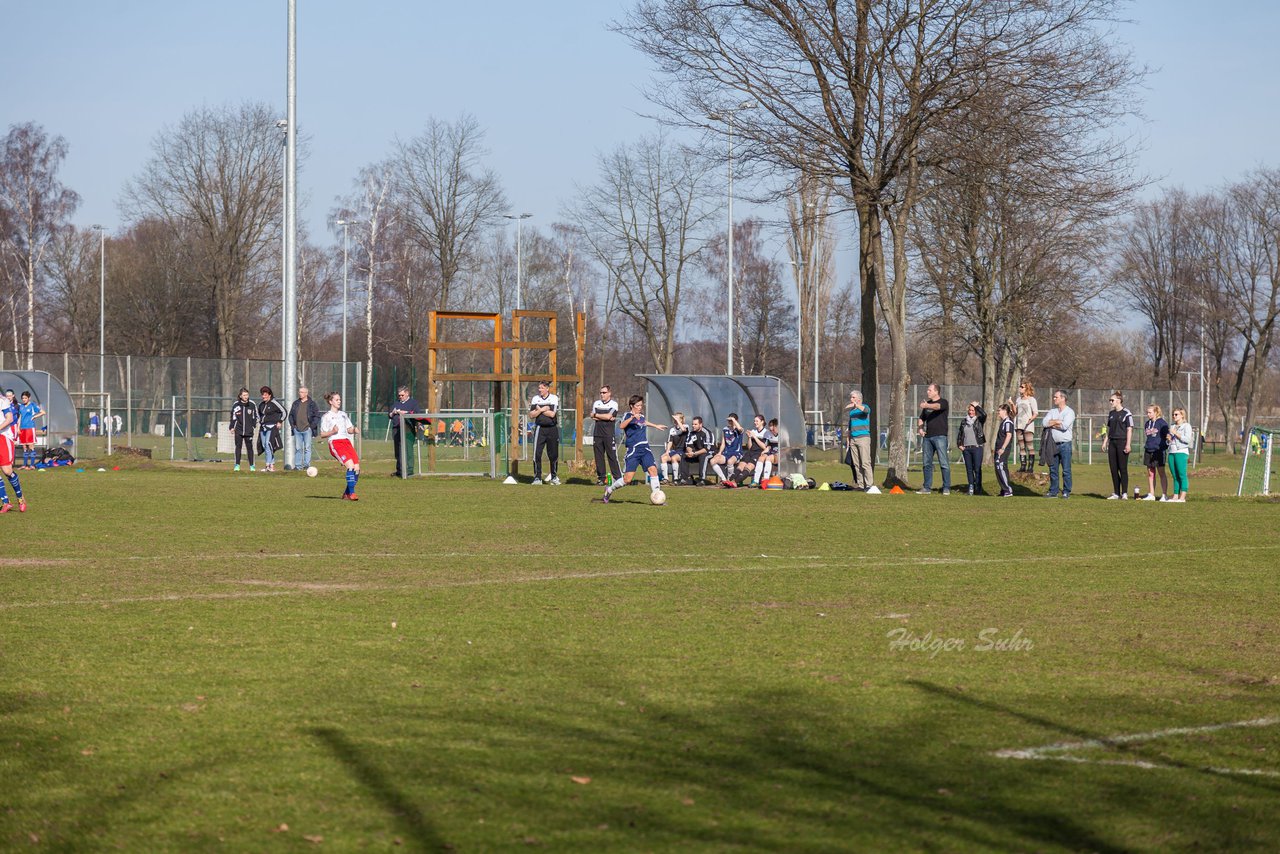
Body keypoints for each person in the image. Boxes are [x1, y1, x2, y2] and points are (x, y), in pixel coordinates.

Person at [600, 394, 667, 503]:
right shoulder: (627, 415)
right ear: (632, 406)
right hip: (633, 450)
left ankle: (657, 496)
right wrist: (632, 417)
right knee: (627, 479)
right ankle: (609, 489)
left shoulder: (641, 416)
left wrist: (656, 426)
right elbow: (621, 426)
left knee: (653, 470)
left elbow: (643, 422)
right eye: (638, 405)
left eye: (641, 405)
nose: (640, 407)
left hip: (644, 448)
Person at [320, 391, 362, 500]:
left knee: (357, 468)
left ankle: (346, 493)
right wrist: (332, 432)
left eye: (340, 399)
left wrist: (354, 430)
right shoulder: (326, 416)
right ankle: (352, 494)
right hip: (335, 443)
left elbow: (349, 429)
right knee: (350, 466)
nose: (339, 401)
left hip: (346, 442)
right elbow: (322, 434)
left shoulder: (343, 414)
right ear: (330, 402)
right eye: (337, 400)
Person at [916, 384, 951, 495]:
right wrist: (920, 428)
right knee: (926, 463)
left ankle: (946, 487)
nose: (928, 392)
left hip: (940, 436)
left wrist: (926, 405)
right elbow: (921, 418)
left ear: (936, 391)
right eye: (927, 390)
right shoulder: (927, 405)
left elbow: (937, 407)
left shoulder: (943, 402)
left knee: (943, 462)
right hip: (928, 438)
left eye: (930, 390)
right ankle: (926, 487)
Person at [1042, 389, 1075, 499]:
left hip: (1065, 445)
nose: (1054, 398)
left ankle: (1066, 491)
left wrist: (1052, 423)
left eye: (1056, 397)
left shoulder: (1069, 412)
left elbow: (1064, 426)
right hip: (1052, 445)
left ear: (1063, 398)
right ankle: (1053, 491)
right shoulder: (1052, 411)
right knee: (1053, 469)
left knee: (1066, 470)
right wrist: (1057, 421)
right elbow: (1044, 423)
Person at [528, 380, 561, 485]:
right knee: (537, 454)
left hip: (552, 429)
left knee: (553, 454)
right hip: (540, 429)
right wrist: (543, 409)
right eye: (539, 388)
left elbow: (552, 414)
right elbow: (531, 415)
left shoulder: (554, 398)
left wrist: (539, 410)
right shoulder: (535, 399)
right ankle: (537, 477)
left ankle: (554, 477)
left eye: (542, 388)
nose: (540, 390)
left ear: (547, 388)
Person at [1103, 391, 1134, 500]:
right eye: (1110, 400)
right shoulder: (1111, 414)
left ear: (1119, 400)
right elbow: (1109, 429)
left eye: (1112, 400)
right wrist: (1105, 441)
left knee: (1123, 468)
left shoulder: (1127, 413)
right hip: (1112, 443)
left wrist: (1128, 444)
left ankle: (1124, 492)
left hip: (1122, 442)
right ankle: (1116, 493)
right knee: (1113, 468)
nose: (1110, 402)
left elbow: (1129, 429)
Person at [590, 385, 622, 486]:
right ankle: (601, 478)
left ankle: (617, 477)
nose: (602, 394)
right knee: (598, 457)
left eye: (604, 392)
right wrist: (602, 416)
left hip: (608, 434)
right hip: (597, 434)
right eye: (601, 393)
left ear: (609, 393)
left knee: (612, 456)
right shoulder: (596, 403)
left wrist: (597, 416)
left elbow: (609, 416)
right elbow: (593, 416)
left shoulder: (614, 404)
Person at [0, 397, 26, 513]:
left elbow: (9, 419)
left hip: (4, 437)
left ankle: (20, 498)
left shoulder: (2, 401)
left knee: (7, 471)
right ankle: (6, 502)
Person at [843, 390, 873, 490]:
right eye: (851, 397)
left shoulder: (864, 407)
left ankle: (869, 485)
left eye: (853, 397)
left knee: (865, 462)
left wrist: (857, 405)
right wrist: (848, 440)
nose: (851, 399)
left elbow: (866, 411)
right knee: (856, 464)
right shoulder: (852, 412)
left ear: (859, 399)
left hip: (863, 438)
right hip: (853, 440)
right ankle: (860, 485)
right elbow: (850, 426)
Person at [388, 386, 421, 478]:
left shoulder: (413, 403)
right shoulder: (396, 403)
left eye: (402, 395)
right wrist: (393, 412)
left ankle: (409, 470)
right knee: (398, 451)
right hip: (396, 429)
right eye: (399, 395)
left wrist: (405, 412)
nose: (400, 397)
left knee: (408, 450)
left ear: (407, 394)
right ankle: (399, 470)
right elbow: (389, 415)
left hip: (408, 429)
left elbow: (417, 414)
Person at [956, 401, 987, 495]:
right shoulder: (964, 421)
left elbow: (984, 414)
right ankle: (971, 487)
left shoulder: (979, 420)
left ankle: (978, 488)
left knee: (977, 468)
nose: (971, 412)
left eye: (973, 410)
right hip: (966, 449)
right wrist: (959, 445)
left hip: (977, 448)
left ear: (976, 411)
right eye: (969, 410)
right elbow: (960, 434)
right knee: (969, 469)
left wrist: (977, 406)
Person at [289, 386, 321, 472]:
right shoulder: (296, 403)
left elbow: (317, 416)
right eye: (299, 392)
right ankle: (298, 466)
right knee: (298, 448)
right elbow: (291, 415)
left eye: (302, 392)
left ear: (306, 393)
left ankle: (307, 465)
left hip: (307, 430)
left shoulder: (312, 404)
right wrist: (293, 426)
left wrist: (311, 427)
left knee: (307, 448)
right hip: (297, 430)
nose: (300, 393)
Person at [1142, 404, 1170, 501]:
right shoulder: (1147, 424)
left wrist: (1164, 445)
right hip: (1148, 450)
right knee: (1150, 473)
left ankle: (1164, 494)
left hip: (1158, 451)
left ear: (1156, 412)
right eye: (1147, 412)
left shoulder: (1162, 423)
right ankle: (1151, 494)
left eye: (1150, 412)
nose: (1148, 414)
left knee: (1161, 472)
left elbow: (1167, 435)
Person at [710, 413, 745, 488]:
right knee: (712, 461)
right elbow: (723, 443)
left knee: (730, 461)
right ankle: (724, 479)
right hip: (727, 453)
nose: (730, 422)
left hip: (737, 453)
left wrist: (734, 420)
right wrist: (719, 453)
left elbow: (740, 429)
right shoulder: (725, 429)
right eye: (729, 420)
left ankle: (730, 480)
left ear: (736, 420)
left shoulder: (739, 429)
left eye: (731, 420)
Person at [256, 386, 287, 472]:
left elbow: (284, 411)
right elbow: (259, 415)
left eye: (265, 395)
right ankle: (271, 465)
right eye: (262, 395)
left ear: (269, 395)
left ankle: (268, 465)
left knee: (268, 444)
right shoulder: (261, 405)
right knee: (264, 445)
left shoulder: (274, 402)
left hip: (272, 427)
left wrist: (280, 421)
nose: (263, 396)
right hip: (263, 427)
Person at [229, 388, 258, 472]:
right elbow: (233, 417)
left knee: (250, 448)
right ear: (240, 396)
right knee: (238, 447)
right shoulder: (236, 405)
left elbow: (256, 416)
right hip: (238, 430)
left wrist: (253, 426)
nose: (246, 397)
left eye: (247, 395)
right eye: (244, 395)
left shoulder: (252, 404)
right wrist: (232, 427)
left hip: (249, 431)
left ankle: (252, 466)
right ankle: (237, 465)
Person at [1168, 407, 1192, 503]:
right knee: (1174, 475)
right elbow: (1170, 439)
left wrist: (1176, 433)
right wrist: (1168, 438)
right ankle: (1175, 496)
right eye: (1173, 414)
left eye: (1176, 414)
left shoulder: (1186, 426)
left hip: (1181, 452)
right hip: (1171, 451)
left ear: (1182, 415)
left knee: (1182, 474)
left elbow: (1187, 440)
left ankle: (1182, 497)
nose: (1174, 416)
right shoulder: (1172, 426)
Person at [736, 414, 768, 484]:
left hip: (759, 453)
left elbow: (764, 447)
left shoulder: (766, 432)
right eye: (754, 421)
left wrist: (755, 437)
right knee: (740, 466)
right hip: (750, 452)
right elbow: (749, 447)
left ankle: (735, 482)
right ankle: (735, 481)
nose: (755, 422)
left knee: (748, 466)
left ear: (762, 422)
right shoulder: (753, 431)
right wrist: (750, 437)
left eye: (757, 421)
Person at [17, 391, 45, 470]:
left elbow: (43, 412)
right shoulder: (21, 406)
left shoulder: (33, 405)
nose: (24, 400)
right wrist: (18, 427)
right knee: (24, 447)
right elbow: (20, 417)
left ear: (29, 398)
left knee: (31, 446)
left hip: (30, 428)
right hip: (22, 428)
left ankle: (32, 465)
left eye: (25, 398)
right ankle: (24, 465)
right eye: (23, 398)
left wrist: (35, 417)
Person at [681, 416, 713, 485]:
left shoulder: (707, 433)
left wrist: (694, 453)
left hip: (710, 453)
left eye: (695, 424)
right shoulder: (691, 433)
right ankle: (685, 479)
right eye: (692, 424)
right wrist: (690, 452)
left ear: (700, 424)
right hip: (697, 453)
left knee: (703, 456)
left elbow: (706, 449)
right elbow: (688, 445)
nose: (693, 426)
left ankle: (702, 479)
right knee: (684, 456)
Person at [1015, 381, 1038, 473]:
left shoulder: (1031, 399)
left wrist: (1030, 420)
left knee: (1030, 446)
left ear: (1027, 389)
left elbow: (1036, 412)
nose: (1020, 388)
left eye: (1022, 387)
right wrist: (1012, 405)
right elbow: (1015, 412)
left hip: (1028, 426)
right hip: (1019, 425)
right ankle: (1023, 466)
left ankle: (1030, 467)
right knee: (1021, 447)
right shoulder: (1018, 400)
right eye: (1020, 387)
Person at [993, 403, 1016, 497]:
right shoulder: (1003, 422)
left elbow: (1009, 435)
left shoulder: (1008, 423)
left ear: (1005, 411)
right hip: (998, 449)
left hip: (1003, 450)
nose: (998, 412)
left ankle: (1008, 490)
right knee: (998, 468)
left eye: (999, 410)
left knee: (1001, 467)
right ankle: (1003, 490)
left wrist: (1003, 448)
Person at [660, 412, 689, 484]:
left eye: (677, 418)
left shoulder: (685, 426)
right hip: (675, 451)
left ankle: (676, 479)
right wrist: (667, 452)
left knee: (674, 458)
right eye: (674, 419)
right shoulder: (672, 430)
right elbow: (670, 442)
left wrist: (678, 421)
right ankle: (665, 479)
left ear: (681, 420)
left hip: (683, 451)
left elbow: (683, 430)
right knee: (663, 457)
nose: (675, 420)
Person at [754, 418, 781, 486]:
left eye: (772, 426)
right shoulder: (768, 433)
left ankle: (766, 479)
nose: (770, 428)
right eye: (769, 426)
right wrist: (765, 451)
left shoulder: (783, 433)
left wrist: (779, 453)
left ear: (776, 426)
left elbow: (787, 447)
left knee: (768, 458)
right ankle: (755, 481)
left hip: (780, 453)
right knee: (761, 458)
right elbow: (768, 446)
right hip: (771, 451)